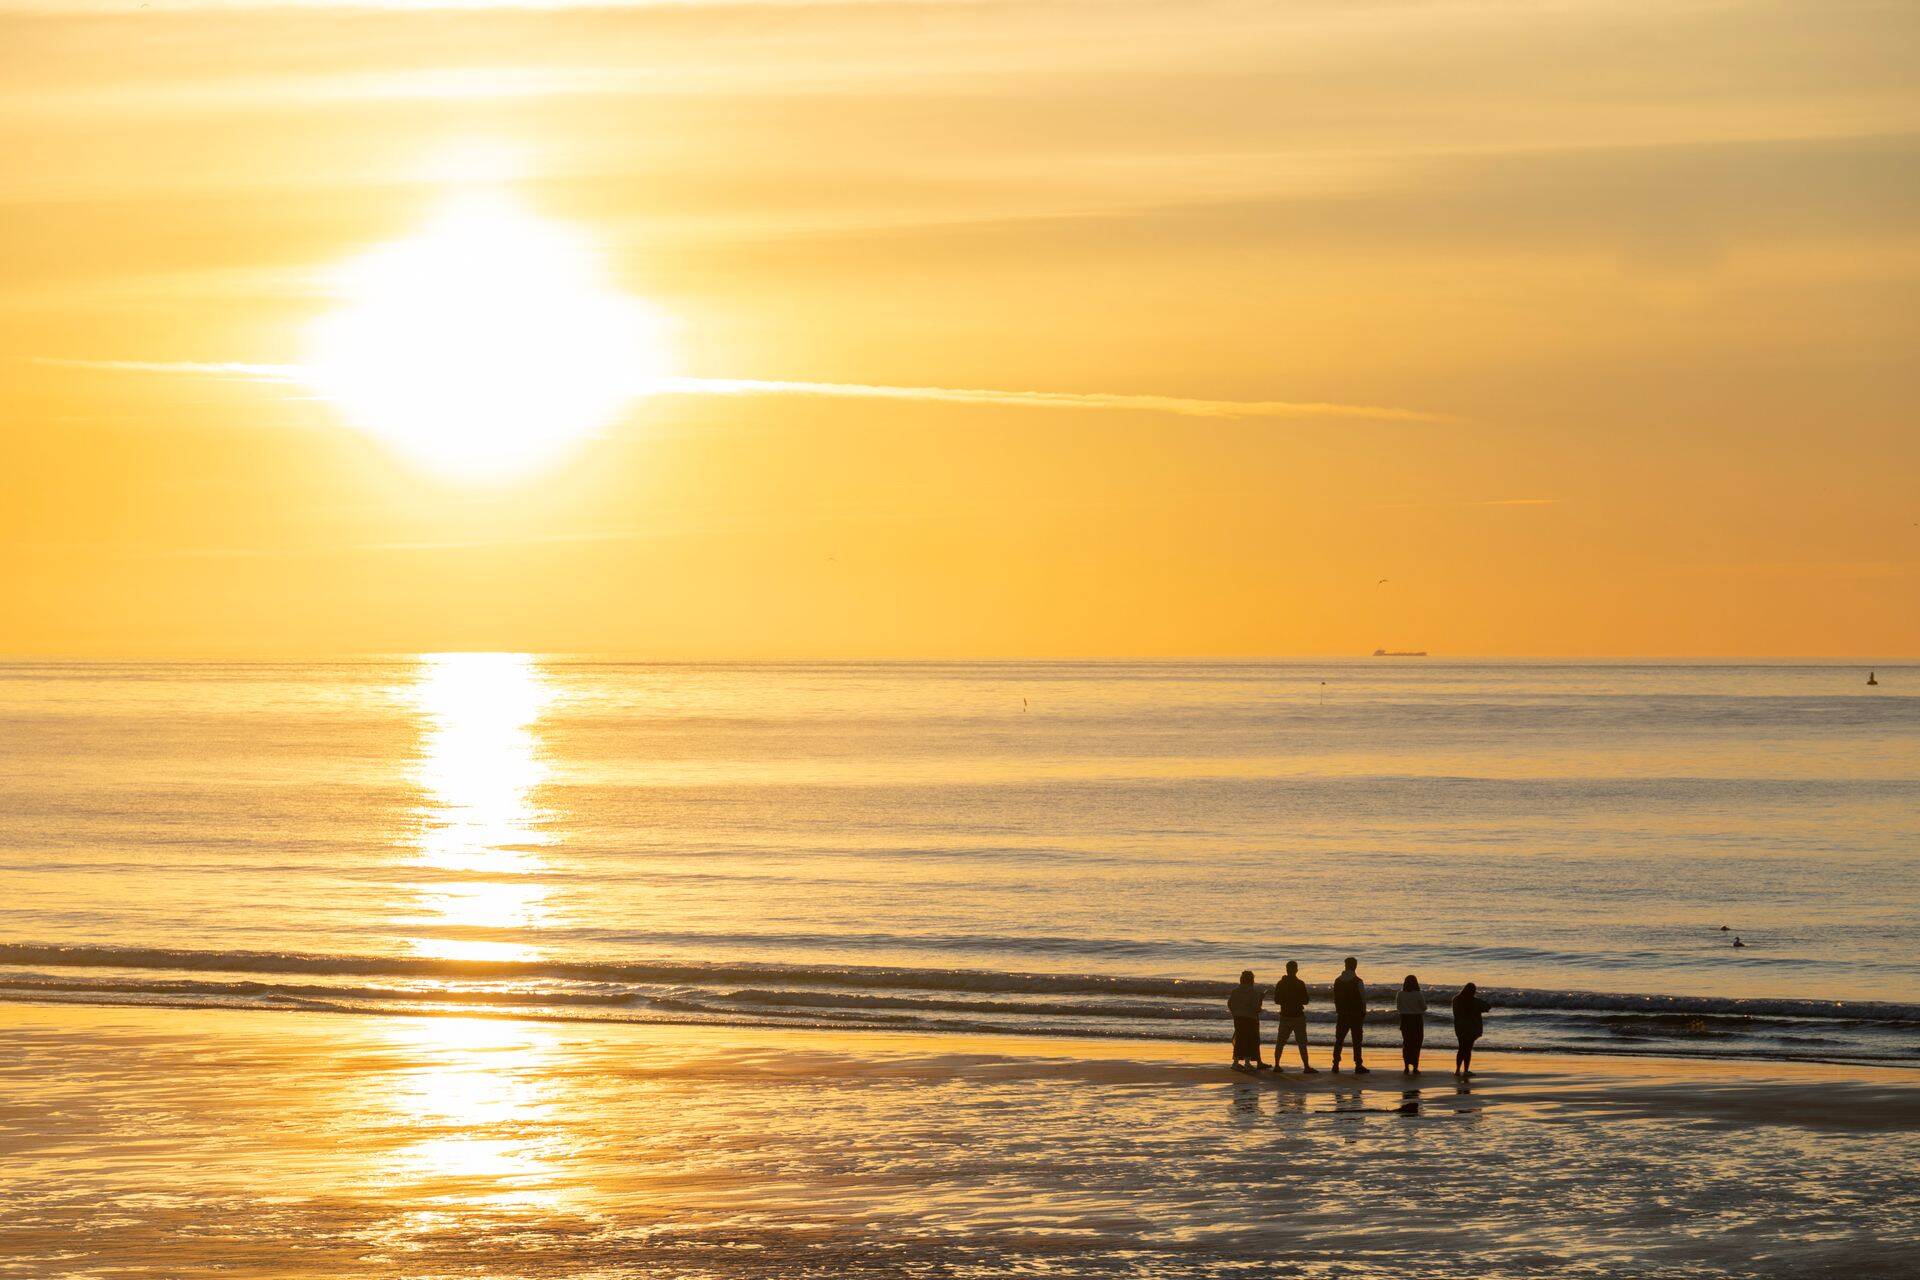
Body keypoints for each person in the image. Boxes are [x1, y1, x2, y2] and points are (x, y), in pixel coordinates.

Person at [1271, 960, 1317, 1073]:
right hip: (1298, 1016)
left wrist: (1286, 1000)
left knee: (1280, 1041)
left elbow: (1276, 1000)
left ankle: (1277, 1065)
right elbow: (1306, 1001)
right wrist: (1296, 1000)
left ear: (1286, 970)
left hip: (1285, 1015)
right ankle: (1306, 1066)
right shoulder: (1300, 983)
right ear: (1296, 970)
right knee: (1302, 1042)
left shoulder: (1281, 983)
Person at [1331, 956, 1369, 1074]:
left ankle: (1336, 1064)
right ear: (1355, 966)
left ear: (1345, 966)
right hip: (1356, 1014)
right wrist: (1364, 1012)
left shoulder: (1337, 981)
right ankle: (1358, 1064)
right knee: (1357, 1040)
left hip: (1342, 1014)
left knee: (1339, 1039)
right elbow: (1363, 999)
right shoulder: (1358, 981)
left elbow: (1335, 998)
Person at [1227, 970, 1266, 1070]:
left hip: (1238, 1018)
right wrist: (1260, 1001)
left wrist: (1235, 1012)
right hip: (1250, 1018)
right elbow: (1255, 1007)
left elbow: (1230, 1004)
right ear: (1251, 980)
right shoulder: (1253, 992)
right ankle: (1247, 1063)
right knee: (1249, 1040)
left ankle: (1235, 1062)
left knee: (1240, 1039)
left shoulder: (1235, 991)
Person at [1452, 981, 1492, 1078]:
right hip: (1471, 1028)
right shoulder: (1475, 1001)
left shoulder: (1456, 1000)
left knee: (1461, 1048)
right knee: (1468, 1049)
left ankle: (1457, 1070)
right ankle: (1465, 1070)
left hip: (1460, 1027)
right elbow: (1487, 1007)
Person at [1397, 974, 1426, 1073]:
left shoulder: (1400, 994)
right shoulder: (1418, 994)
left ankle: (1406, 1066)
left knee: (1407, 1043)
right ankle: (1415, 1067)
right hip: (1416, 1019)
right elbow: (1424, 1008)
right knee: (1417, 1043)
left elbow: (1399, 1008)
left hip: (1405, 1019)